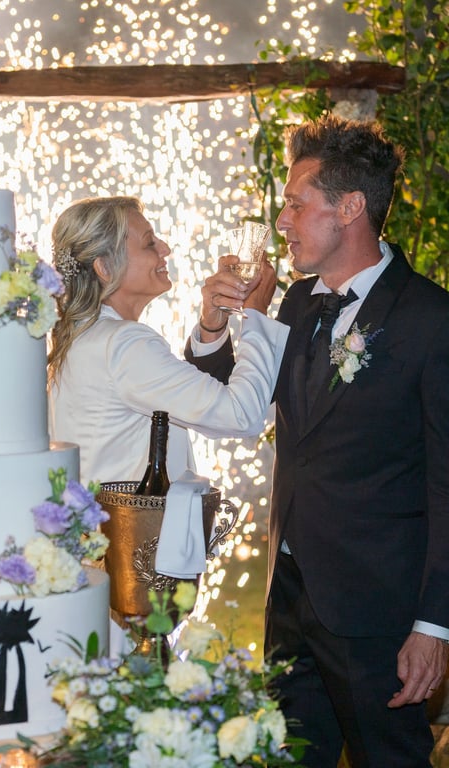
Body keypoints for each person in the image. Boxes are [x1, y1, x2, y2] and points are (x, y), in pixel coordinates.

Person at [188, 115, 449, 766]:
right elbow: (224, 405)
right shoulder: (297, 304)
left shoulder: (431, 320)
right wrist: (215, 327)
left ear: (350, 207)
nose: (282, 222)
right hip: (289, 596)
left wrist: (434, 625)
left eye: (296, 205)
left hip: (379, 614)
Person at [47, 195, 289, 485]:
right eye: (149, 243)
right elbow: (241, 414)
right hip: (132, 516)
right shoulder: (124, 344)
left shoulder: (83, 337)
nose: (165, 249)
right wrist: (256, 313)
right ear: (105, 268)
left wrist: (212, 325)